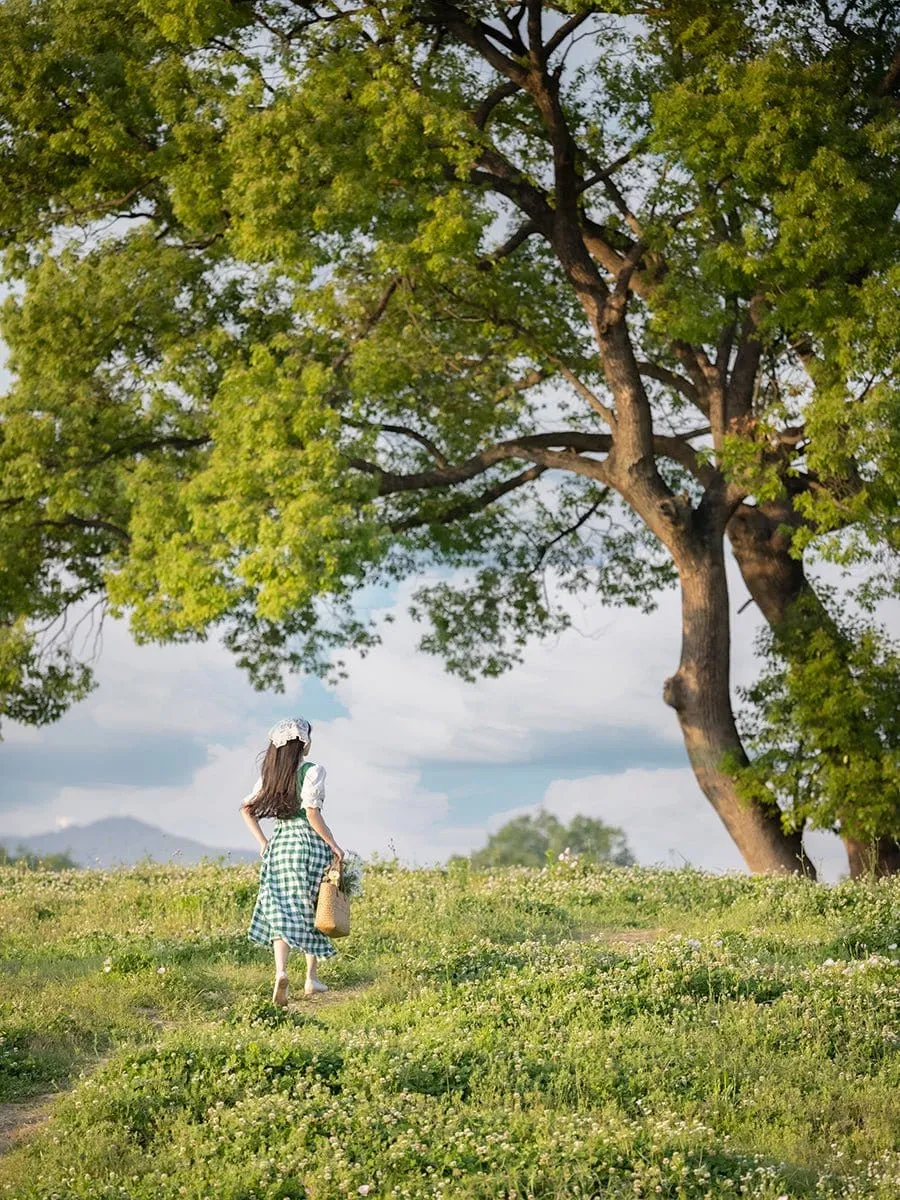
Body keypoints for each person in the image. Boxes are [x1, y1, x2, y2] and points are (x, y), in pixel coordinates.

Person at [239, 716, 345, 1005]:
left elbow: (246, 808)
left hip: (280, 846)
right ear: (305, 743)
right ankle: (311, 978)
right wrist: (333, 844)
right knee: (314, 907)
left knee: (280, 908)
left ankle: (281, 972)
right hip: (308, 843)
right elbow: (312, 812)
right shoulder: (313, 770)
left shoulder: (270, 775)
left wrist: (263, 843)